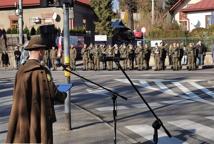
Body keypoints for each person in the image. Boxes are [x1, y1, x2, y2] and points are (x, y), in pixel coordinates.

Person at [5, 35, 66, 144]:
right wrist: (64, 95)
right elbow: (52, 92)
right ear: (40, 51)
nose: (44, 53)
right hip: (41, 116)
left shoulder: (21, 71)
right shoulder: (42, 72)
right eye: (43, 50)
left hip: (24, 116)